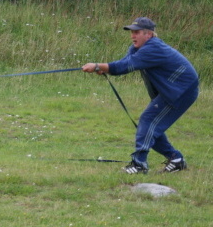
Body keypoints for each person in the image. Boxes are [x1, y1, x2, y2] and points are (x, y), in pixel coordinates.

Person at [82, 17, 199, 174]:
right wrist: (104, 68)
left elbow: (124, 67)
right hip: (171, 90)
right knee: (150, 126)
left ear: (148, 34)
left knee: (148, 120)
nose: (132, 36)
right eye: (132, 32)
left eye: (136, 32)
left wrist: (97, 65)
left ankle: (139, 164)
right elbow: (124, 64)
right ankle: (176, 159)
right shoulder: (137, 49)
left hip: (181, 90)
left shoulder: (154, 48)